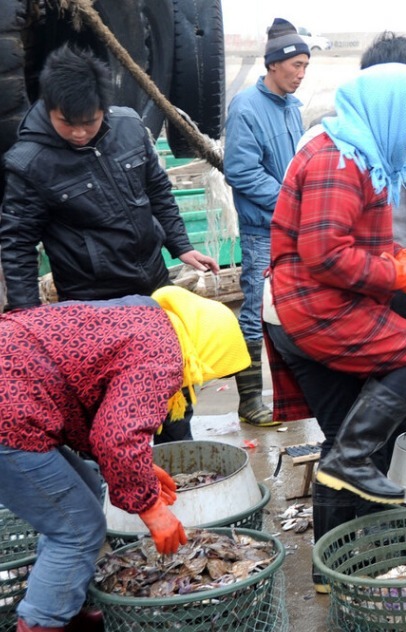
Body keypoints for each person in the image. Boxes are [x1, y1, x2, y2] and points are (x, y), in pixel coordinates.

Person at [262, 63, 406, 592]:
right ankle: (349, 468)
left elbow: (355, 239)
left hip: (309, 306)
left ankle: (330, 570)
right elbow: (325, 255)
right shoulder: (335, 159)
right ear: (391, 111)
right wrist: (394, 271)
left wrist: (404, 259)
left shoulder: (360, 150)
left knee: (347, 435)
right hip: (308, 308)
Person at [0, 44, 219, 443]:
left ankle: (180, 461)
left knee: (171, 386)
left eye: (90, 120)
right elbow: (16, 243)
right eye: (69, 123)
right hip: (92, 302)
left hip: (152, 284)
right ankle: (117, 479)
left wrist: (181, 245)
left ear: (105, 106)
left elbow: (158, 190)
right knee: (113, 404)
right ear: (50, 109)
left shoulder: (130, 127)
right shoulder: (29, 162)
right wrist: (29, 320)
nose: (80, 131)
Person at [0, 287, 251, 632]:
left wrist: (140, 469)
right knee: (78, 529)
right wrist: (151, 508)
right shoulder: (163, 354)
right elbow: (116, 436)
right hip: (10, 411)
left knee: (85, 489)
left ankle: (61, 607)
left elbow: (91, 388)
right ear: (208, 348)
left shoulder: (146, 318)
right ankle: (41, 623)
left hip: (18, 387)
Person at [223, 18, 310, 428]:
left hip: (294, 227)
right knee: (256, 310)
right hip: (263, 230)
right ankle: (249, 399)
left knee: (292, 307)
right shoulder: (245, 107)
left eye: (306, 66)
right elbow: (241, 171)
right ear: (273, 64)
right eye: (295, 65)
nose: (301, 73)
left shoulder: (293, 108)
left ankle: (292, 394)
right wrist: (291, 202)